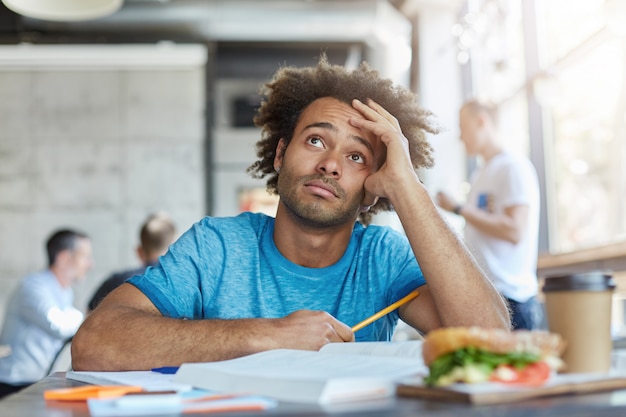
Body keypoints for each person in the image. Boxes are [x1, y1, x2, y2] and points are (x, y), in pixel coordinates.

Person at [72, 57, 510, 372]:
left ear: (373, 188)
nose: (331, 164)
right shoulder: (216, 246)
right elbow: (95, 343)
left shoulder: (383, 258)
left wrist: (408, 187)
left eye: (357, 157)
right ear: (281, 154)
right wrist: (268, 335)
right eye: (317, 141)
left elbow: (495, 346)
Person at [436, 99, 542, 330]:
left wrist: (458, 208)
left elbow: (515, 230)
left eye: (463, 128)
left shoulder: (513, 167)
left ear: (481, 121)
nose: (460, 137)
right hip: (487, 295)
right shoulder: (481, 174)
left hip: (513, 300)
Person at [0, 229, 93, 398]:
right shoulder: (33, 286)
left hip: (36, 383)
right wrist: (86, 318)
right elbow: (57, 325)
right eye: (84, 257)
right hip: (14, 384)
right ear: (64, 258)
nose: (90, 264)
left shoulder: (64, 291)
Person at [87, 212, 176, 312]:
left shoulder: (117, 281)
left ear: (139, 251)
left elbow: (90, 315)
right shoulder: (181, 285)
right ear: (174, 251)